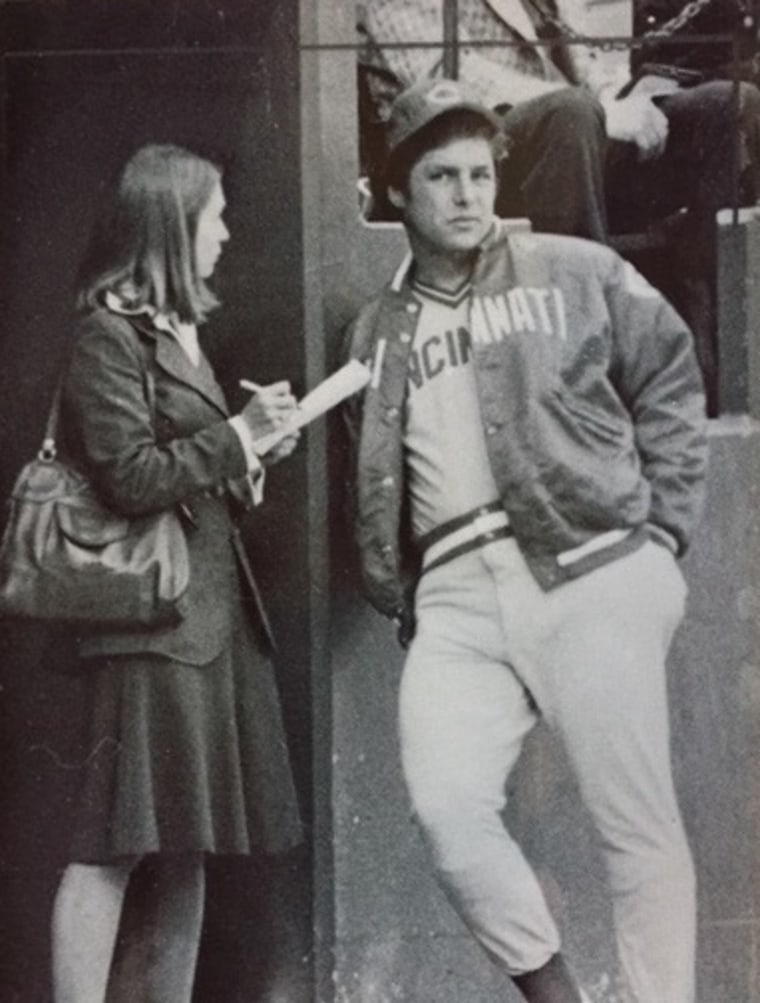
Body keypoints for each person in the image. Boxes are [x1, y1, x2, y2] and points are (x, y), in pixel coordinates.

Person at [343, 78, 708, 1003]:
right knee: (446, 809)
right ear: (396, 194)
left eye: (480, 173)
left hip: (588, 562)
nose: (468, 194)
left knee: (637, 825)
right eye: (442, 177)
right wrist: (405, 593)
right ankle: (556, 994)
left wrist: (664, 534)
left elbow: (668, 366)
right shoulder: (376, 330)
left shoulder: (569, 267)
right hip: (457, 593)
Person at [51, 144, 303, 1003]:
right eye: (214, 216)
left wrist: (251, 450)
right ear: (172, 224)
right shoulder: (106, 335)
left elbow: (187, 474)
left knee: (182, 840)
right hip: (150, 626)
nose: (227, 232)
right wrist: (233, 436)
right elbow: (128, 475)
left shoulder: (175, 335)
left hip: (200, 621)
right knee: (112, 846)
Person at [358, 0, 760, 408]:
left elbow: (580, 58)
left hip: (571, 135)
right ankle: (590, 369)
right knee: (571, 113)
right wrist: (603, 111)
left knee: (728, 105)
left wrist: (619, 95)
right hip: (460, 149)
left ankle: (718, 367)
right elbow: (440, 78)